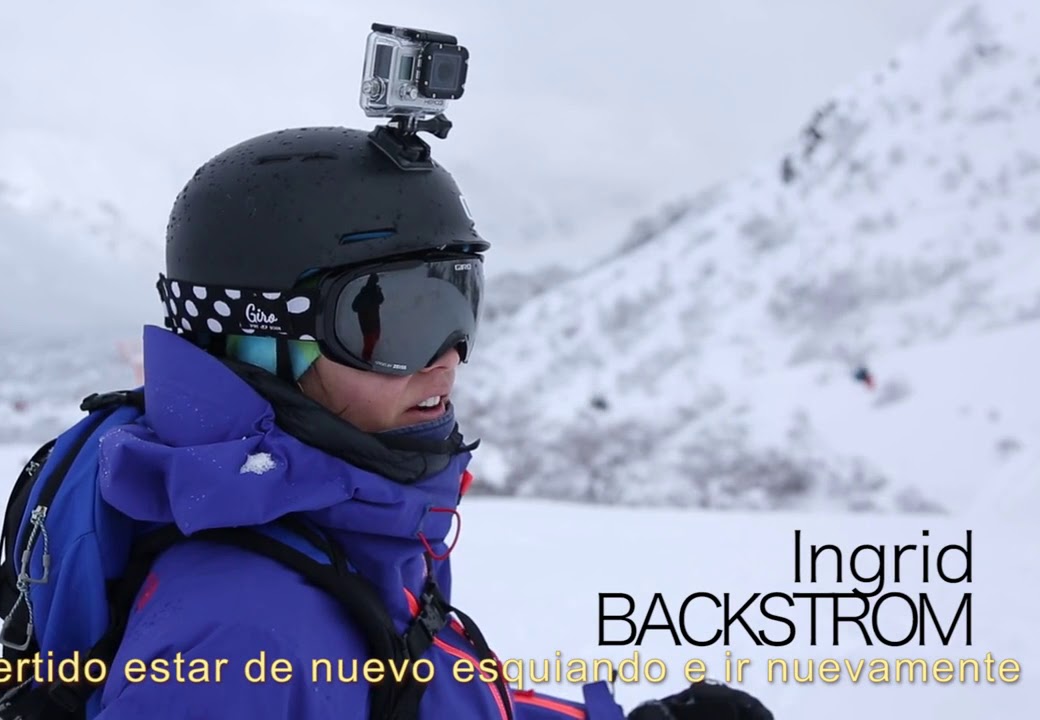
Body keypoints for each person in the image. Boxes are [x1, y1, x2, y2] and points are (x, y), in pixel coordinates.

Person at [90, 125, 774, 720]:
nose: (448, 359)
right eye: (390, 318)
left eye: (457, 301)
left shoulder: (348, 532)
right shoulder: (244, 642)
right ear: (261, 343)